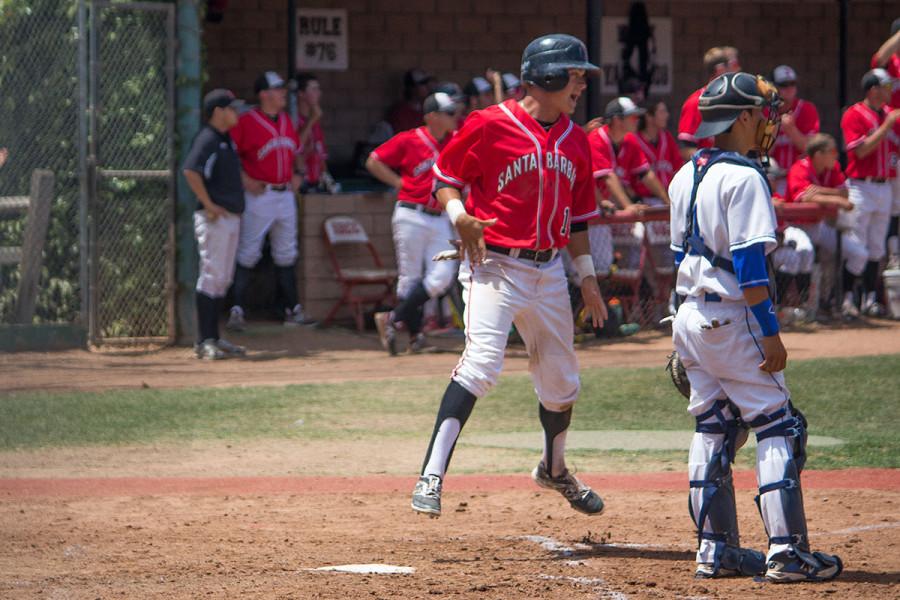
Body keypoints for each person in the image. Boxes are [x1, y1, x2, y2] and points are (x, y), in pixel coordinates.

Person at [411, 34, 608, 518]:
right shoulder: (488, 124)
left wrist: (587, 279)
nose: (580, 84)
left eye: (582, 75)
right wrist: (459, 217)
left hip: (548, 272)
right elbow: (444, 179)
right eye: (574, 74)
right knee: (480, 365)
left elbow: (578, 219)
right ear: (545, 77)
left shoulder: (576, 140)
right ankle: (430, 475)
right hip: (493, 264)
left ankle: (554, 470)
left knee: (562, 385)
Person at [669, 71, 842, 582]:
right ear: (741, 117)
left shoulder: (683, 175)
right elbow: (750, 269)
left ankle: (714, 549)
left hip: (688, 315)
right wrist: (770, 333)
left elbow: (678, 257)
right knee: (778, 424)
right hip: (733, 315)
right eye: (762, 114)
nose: (769, 122)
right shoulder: (744, 177)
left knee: (713, 425)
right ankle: (787, 553)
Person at [366, 92, 463, 355]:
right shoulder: (410, 139)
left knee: (442, 277)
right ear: (432, 116)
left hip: (440, 216)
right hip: (411, 214)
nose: (455, 117)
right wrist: (398, 183)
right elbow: (373, 160)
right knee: (410, 278)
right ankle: (415, 336)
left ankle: (392, 317)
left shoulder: (456, 141)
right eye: (449, 113)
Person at [226, 71, 311, 330]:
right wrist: (244, 179)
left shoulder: (286, 120)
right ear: (264, 94)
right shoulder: (246, 121)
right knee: (248, 252)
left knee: (286, 253)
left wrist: (299, 174)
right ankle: (236, 309)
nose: (283, 93)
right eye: (277, 89)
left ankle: (291, 309)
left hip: (285, 194)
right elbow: (230, 154)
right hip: (259, 195)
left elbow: (296, 151)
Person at [182, 89, 248, 359]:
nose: (237, 113)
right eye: (232, 108)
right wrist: (208, 204)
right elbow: (190, 170)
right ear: (218, 112)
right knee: (211, 277)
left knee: (222, 280)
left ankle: (215, 338)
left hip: (230, 218)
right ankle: (203, 340)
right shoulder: (207, 138)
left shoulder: (225, 139)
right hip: (215, 218)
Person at [783, 134, 866, 314]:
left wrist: (821, 191)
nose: (836, 156)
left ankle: (846, 301)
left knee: (859, 254)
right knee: (805, 252)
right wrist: (835, 199)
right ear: (819, 154)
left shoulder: (833, 168)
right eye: (832, 152)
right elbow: (804, 197)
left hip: (819, 226)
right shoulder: (800, 168)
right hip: (796, 226)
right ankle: (802, 305)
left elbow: (845, 193)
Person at [839, 68, 899, 317]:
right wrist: (885, 127)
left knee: (877, 248)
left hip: (884, 185)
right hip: (860, 186)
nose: (890, 91)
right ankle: (847, 299)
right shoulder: (854, 114)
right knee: (857, 246)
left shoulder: (889, 114)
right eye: (885, 87)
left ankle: (870, 300)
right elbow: (859, 151)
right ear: (873, 90)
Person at [871, 18, 900, 267]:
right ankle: (894, 256)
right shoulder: (890, 65)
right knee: (893, 207)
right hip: (890, 139)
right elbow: (879, 58)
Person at [677, 47, 738, 161]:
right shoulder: (696, 102)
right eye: (730, 66)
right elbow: (686, 149)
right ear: (720, 70)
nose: (734, 71)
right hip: (707, 173)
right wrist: (712, 167)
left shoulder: (734, 101)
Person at [769, 65, 820, 196]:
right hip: (773, 180)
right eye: (784, 85)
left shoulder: (807, 109)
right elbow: (761, 153)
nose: (789, 89)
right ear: (773, 87)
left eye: (793, 84)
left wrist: (791, 130)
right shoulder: (764, 112)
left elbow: (811, 150)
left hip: (800, 180)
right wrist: (774, 128)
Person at [293, 73, 334, 193]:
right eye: (314, 89)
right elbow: (296, 147)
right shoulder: (293, 120)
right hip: (299, 184)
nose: (319, 93)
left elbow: (321, 155)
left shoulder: (315, 121)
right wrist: (311, 120)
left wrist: (327, 179)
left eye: (318, 89)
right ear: (301, 94)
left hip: (316, 183)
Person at [387, 69, 434, 133]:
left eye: (427, 84)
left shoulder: (428, 108)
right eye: (423, 84)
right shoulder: (400, 112)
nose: (427, 87)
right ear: (411, 88)